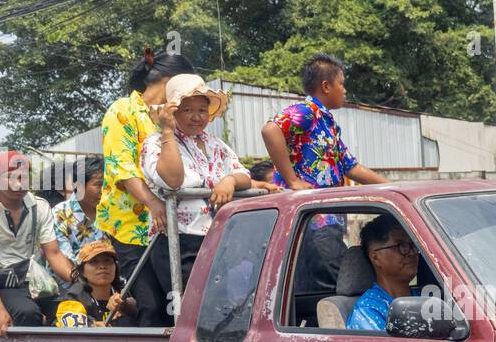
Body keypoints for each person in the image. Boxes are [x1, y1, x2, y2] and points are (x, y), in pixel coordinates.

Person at [141, 74, 279, 294]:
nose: (196, 117)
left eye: (202, 110)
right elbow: (174, 180)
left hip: (220, 238)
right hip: (180, 240)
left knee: (221, 304)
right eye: (187, 110)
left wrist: (229, 180)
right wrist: (167, 130)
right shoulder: (156, 142)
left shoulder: (215, 143)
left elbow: (242, 174)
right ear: (171, 111)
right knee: (190, 306)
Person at [96, 47, 196, 326]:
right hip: (133, 227)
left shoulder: (174, 117)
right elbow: (122, 168)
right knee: (149, 305)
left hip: (173, 226)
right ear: (169, 81)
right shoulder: (122, 110)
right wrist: (153, 204)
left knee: (177, 302)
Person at [0, 150, 76, 337]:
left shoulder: (40, 206)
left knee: (72, 309)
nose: (19, 183)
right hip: (1, 283)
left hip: (36, 280)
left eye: (24, 177)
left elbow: (53, 253)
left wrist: (82, 282)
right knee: (27, 313)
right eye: (12, 177)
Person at [260, 53, 389, 190]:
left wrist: (393, 187)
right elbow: (270, 130)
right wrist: (293, 181)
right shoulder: (307, 111)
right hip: (304, 208)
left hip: (327, 207)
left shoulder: (327, 124)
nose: (344, 91)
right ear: (326, 87)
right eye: (341, 84)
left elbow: (351, 167)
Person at [347, 214, 420, 331]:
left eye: (413, 245)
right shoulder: (368, 310)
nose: (412, 253)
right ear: (376, 258)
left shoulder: (425, 297)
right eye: (401, 246)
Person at [54, 239, 136, 327]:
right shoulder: (73, 298)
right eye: (94, 262)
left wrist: (125, 306)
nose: (102, 266)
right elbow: (73, 328)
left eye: (108, 261)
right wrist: (92, 325)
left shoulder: (124, 292)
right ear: (82, 271)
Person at [51, 155, 106, 264]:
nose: (104, 190)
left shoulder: (111, 211)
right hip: (72, 279)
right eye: (98, 184)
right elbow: (64, 260)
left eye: (107, 184)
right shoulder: (60, 213)